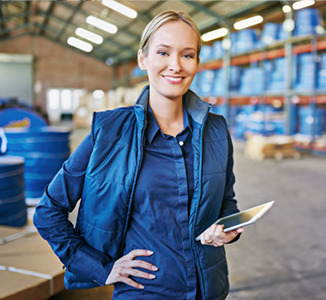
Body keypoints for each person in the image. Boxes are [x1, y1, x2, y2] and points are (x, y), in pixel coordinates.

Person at [34, 10, 243, 300]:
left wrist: (228, 228)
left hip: (210, 290)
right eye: (163, 52)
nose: (175, 65)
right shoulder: (109, 132)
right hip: (146, 293)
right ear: (142, 59)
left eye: (187, 55)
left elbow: (226, 203)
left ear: (196, 62)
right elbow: (48, 211)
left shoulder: (216, 130)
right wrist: (101, 267)